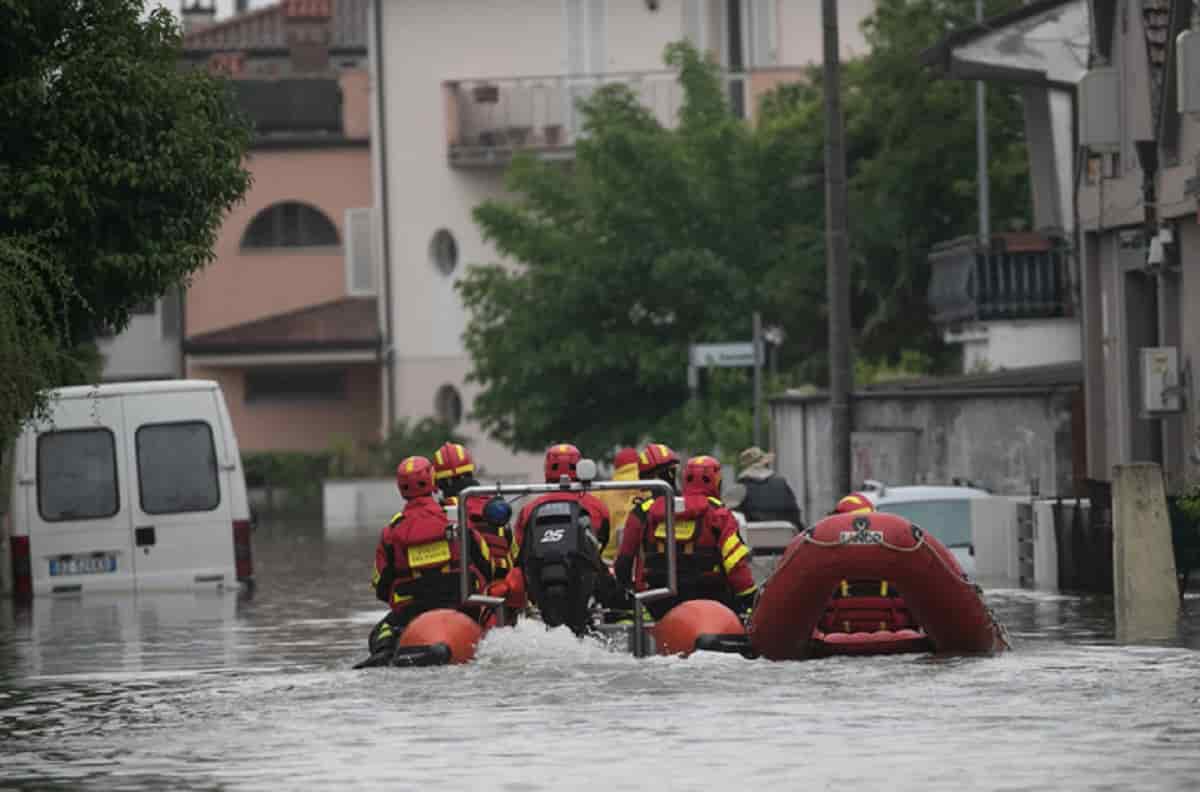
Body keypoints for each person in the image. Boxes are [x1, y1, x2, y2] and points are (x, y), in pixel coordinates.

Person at [366, 455, 494, 660]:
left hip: (411, 614)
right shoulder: (454, 518)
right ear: (433, 481)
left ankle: (385, 651)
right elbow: (487, 564)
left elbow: (381, 586)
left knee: (380, 633)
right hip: (461, 608)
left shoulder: (391, 532)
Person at [616, 449, 757, 620]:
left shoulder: (648, 511)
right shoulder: (719, 514)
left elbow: (623, 564)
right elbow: (735, 564)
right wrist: (750, 598)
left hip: (657, 604)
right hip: (710, 601)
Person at [509, 443, 624, 633]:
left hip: (539, 582)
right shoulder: (595, 506)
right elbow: (601, 541)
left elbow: (518, 550)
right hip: (581, 579)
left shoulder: (529, 509)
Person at [433, 441, 514, 580]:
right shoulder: (495, 505)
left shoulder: (442, 512)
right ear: (471, 471)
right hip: (502, 583)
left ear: (439, 482)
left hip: (465, 587)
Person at [730, 446, 804, 529]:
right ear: (765, 463)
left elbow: (730, 518)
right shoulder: (781, 483)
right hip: (785, 537)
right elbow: (795, 514)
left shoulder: (740, 488)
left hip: (753, 538)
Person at [592, 447, 642, 561]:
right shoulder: (651, 485)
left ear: (617, 467)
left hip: (608, 558)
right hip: (641, 557)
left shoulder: (602, 491)